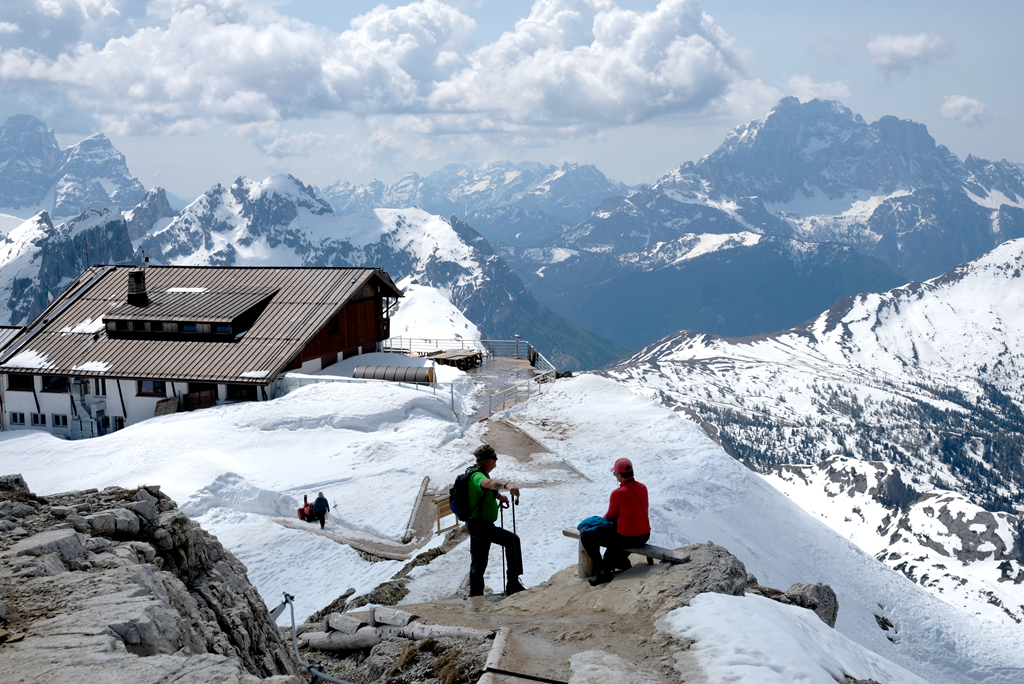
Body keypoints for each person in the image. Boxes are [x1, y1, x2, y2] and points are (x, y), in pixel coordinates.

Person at [466, 444, 526, 597]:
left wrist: (499, 496)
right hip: (482, 526)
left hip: (476, 525)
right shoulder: (478, 476)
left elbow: (485, 490)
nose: (496, 459)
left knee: (478, 563)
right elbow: (489, 484)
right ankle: (513, 584)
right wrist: (507, 485)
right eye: (494, 457)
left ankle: (476, 595)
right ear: (486, 460)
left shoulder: (474, 473)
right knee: (512, 541)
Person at [581, 457, 650, 586]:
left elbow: (610, 515)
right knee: (615, 536)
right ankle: (621, 561)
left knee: (587, 535)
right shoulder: (643, 487)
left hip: (628, 538)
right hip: (644, 536)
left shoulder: (618, 493)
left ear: (619, 474)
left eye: (615, 474)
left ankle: (602, 571)